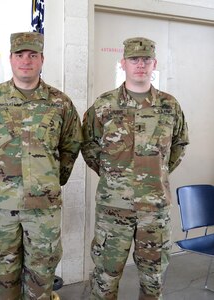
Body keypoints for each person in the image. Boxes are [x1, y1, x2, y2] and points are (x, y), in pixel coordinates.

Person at [0, 32, 83, 300]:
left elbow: (71, 146)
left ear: (42, 59)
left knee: (41, 277)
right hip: (2, 207)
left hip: (43, 209)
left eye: (32, 55)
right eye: (20, 55)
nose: (26, 61)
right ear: (10, 59)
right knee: (4, 276)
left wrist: (51, 180)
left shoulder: (60, 103)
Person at [82, 37, 189, 299]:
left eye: (145, 60)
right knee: (106, 276)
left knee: (153, 279)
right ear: (123, 63)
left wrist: (156, 174)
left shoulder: (169, 106)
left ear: (154, 64)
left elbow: (179, 145)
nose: (140, 65)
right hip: (113, 208)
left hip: (154, 209)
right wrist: (113, 176)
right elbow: (88, 145)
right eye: (134, 59)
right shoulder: (104, 105)